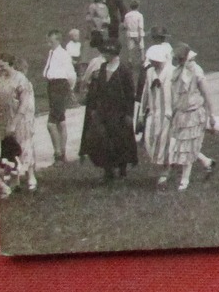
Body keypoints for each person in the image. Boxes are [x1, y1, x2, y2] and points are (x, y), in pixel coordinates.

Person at [158, 44, 216, 190]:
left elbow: (206, 94)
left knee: (187, 147)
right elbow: (174, 94)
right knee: (183, 145)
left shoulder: (196, 71)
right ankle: (207, 162)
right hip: (181, 114)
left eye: (181, 59)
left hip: (194, 114)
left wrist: (212, 114)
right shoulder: (177, 72)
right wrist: (172, 111)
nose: (179, 61)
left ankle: (185, 180)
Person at [78, 43, 138, 181]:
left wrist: (129, 114)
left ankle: (122, 171)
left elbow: (130, 94)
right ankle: (108, 171)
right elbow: (98, 90)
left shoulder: (124, 69)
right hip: (104, 111)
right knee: (103, 141)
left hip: (120, 113)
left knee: (120, 141)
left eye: (107, 53)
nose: (104, 55)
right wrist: (94, 108)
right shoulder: (103, 67)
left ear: (114, 54)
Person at [0, 56, 38, 193]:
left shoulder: (21, 79)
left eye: (2, 65)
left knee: (24, 146)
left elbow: (24, 103)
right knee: (10, 150)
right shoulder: (1, 80)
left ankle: (31, 176)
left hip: (20, 118)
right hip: (5, 118)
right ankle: (15, 180)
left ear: (10, 64)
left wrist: (14, 123)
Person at [40, 29, 77, 165]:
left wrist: (69, 90)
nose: (49, 42)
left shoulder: (63, 54)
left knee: (51, 123)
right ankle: (63, 153)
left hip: (60, 86)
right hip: (52, 86)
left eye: (52, 40)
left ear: (58, 40)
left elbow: (71, 74)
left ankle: (58, 154)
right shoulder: (52, 52)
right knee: (61, 120)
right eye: (48, 39)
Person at [139, 41, 175, 178]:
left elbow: (177, 94)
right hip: (153, 113)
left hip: (168, 113)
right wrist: (142, 113)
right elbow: (145, 93)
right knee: (150, 141)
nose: (153, 62)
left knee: (165, 144)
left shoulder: (172, 72)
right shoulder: (149, 72)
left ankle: (164, 176)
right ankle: (164, 169)